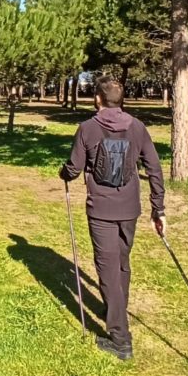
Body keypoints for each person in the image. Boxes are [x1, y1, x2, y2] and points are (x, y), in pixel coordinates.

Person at [59, 75, 166, 361]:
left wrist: (64, 173)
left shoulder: (87, 129)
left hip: (102, 211)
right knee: (121, 265)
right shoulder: (138, 128)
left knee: (108, 272)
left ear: (98, 99)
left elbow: (74, 167)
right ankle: (117, 309)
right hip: (129, 209)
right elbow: (154, 168)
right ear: (120, 100)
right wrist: (159, 208)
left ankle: (120, 340)